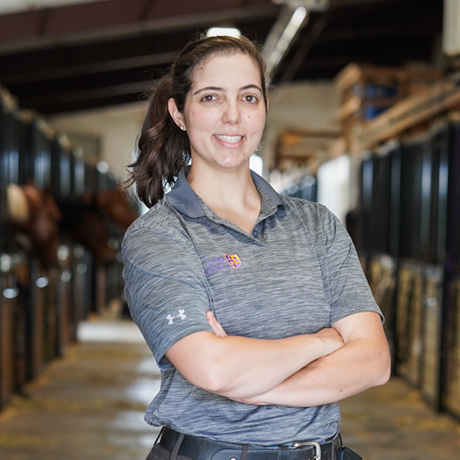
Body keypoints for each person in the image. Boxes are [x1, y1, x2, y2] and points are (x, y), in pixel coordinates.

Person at [122, 35, 390, 460]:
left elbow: (374, 360)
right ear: (179, 113)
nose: (233, 117)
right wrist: (322, 341)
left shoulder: (316, 225)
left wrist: (255, 385)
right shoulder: (160, 236)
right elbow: (212, 368)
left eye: (248, 97)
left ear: (264, 108)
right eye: (211, 98)